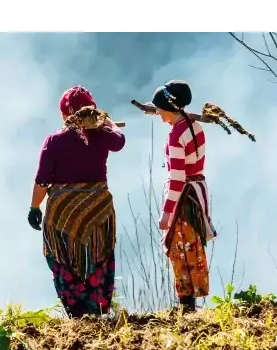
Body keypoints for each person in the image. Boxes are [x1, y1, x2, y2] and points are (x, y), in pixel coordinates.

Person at [28, 86, 126, 318]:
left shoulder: (53, 141)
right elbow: (119, 142)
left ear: (64, 114)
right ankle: (97, 309)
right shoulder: (103, 135)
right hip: (97, 210)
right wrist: (108, 122)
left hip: (63, 214)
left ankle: (76, 312)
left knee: (64, 259)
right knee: (98, 256)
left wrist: (34, 208)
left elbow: (42, 181)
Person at [147, 80, 220, 312]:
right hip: (198, 191)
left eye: (159, 108)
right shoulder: (194, 125)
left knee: (181, 248)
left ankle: (186, 305)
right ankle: (190, 303)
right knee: (194, 245)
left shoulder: (175, 136)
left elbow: (177, 178)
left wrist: (166, 213)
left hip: (184, 197)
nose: (157, 112)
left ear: (169, 108)